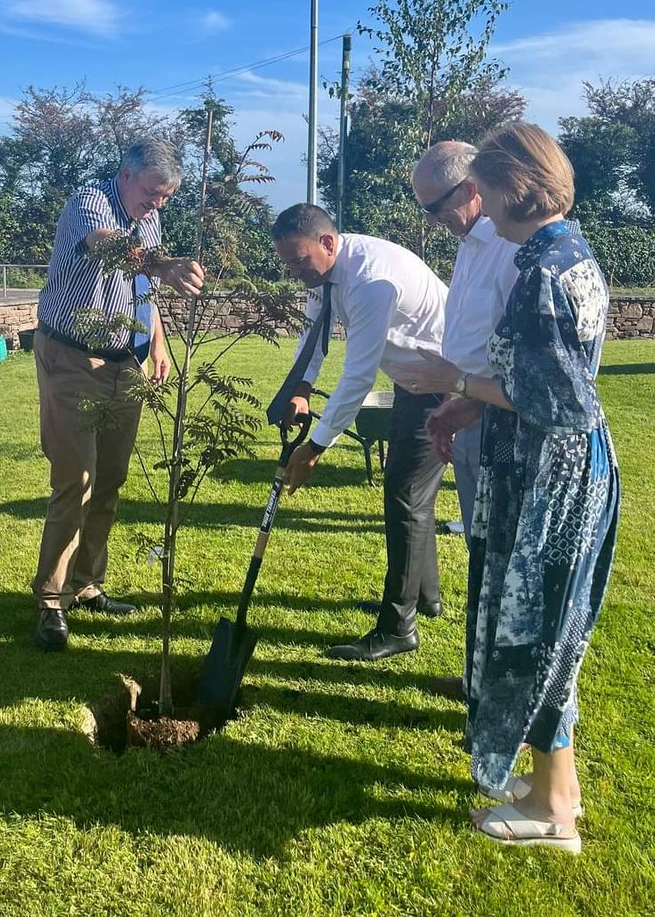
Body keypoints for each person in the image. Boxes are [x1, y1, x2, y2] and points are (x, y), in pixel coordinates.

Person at [397, 123, 620, 854]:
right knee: (541, 629)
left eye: (485, 191)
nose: (483, 208)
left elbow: (563, 404)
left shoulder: (545, 271)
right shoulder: (564, 252)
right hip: (541, 467)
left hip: (549, 482)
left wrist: (455, 383)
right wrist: (468, 405)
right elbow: (539, 381)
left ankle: (554, 816)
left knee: (538, 634)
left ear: (508, 187)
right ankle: (558, 784)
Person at [32, 138, 204, 651]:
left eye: (166, 196)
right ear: (126, 174)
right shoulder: (90, 201)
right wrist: (163, 265)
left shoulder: (150, 219)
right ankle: (51, 600)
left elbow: (144, 290)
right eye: (153, 192)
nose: (158, 203)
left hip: (126, 362)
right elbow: (107, 246)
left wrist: (158, 343)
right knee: (76, 480)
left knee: (110, 479)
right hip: (72, 358)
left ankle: (87, 584)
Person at [270, 204, 449, 662]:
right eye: (287, 263)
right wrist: (302, 388)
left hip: (446, 386)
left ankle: (398, 626)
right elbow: (314, 332)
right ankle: (424, 597)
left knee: (406, 496)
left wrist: (315, 446)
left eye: (299, 261)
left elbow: (358, 376)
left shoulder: (370, 281)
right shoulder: (324, 274)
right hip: (415, 382)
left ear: (328, 243)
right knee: (411, 494)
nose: (294, 272)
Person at [411, 142, 519, 542]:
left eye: (435, 206)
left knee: (498, 545)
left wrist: (467, 394)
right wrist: (455, 404)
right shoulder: (469, 245)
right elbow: (468, 337)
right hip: (471, 410)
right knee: (480, 542)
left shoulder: (510, 248)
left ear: (470, 189)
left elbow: (521, 360)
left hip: (503, 420)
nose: (430, 219)